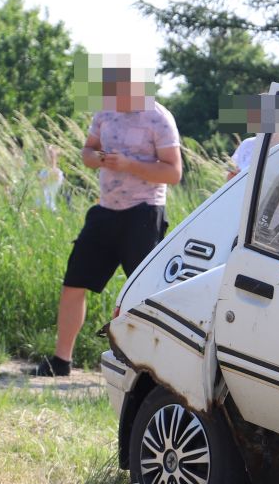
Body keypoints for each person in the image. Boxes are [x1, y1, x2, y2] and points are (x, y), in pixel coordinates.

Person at [31, 64, 182, 377]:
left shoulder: (159, 118)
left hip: (144, 212)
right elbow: (87, 152)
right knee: (74, 282)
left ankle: (142, 369)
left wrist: (130, 164)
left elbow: (173, 172)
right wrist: (98, 159)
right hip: (105, 210)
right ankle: (61, 361)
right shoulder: (105, 113)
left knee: (142, 292)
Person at [37, 143, 64, 211]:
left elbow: (42, 183)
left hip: (50, 209)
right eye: (46, 153)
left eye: (50, 153)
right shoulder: (43, 171)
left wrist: (53, 159)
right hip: (39, 207)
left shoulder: (58, 172)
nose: (47, 155)